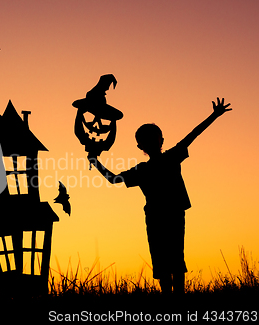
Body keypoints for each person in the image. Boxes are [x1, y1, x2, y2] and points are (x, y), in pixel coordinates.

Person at [90, 97, 232, 294]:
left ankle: (173, 299)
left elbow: (113, 179)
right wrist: (95, 162)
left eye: (151, 138)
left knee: (168, 258)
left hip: (165, 215)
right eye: (148, 139)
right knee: (169, 258)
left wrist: (94, 161)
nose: (151, 142)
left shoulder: (155, 165)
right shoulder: (161, 162)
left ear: (145, 146)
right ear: (151, 144)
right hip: (164, 215)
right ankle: (173, 299)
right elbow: (193, 134)